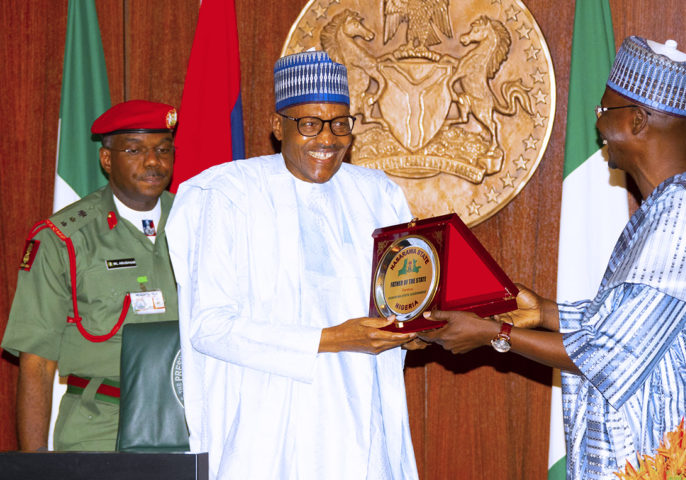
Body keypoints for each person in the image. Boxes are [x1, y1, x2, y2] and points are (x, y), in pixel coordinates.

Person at [421, 36, 686, 479]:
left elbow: (609, 353)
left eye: (605, 113)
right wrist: (543, 311)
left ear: (637, 121)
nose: (598, 127)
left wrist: (492, 334)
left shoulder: (685, 219)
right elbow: (632, 325)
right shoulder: (677, 201)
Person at [166, 51, 420, 480]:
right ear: (276, 126)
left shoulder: (377, 195)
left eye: (340, 124)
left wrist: (415, 332)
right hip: (262, 424)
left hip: (358, 413)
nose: (328, 138)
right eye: (309, 124)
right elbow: (209, 327)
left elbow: (401, 299)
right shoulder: (228, 194)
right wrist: (331, 339)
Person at [1, 100, 179, 451]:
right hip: (102, 428)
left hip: (194, 421)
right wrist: (35, 468)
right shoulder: (63, 239)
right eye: (135, 150)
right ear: (107, 160)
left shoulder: (199, 221)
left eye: (163, 149)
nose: (153, 162)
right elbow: (37, 362)